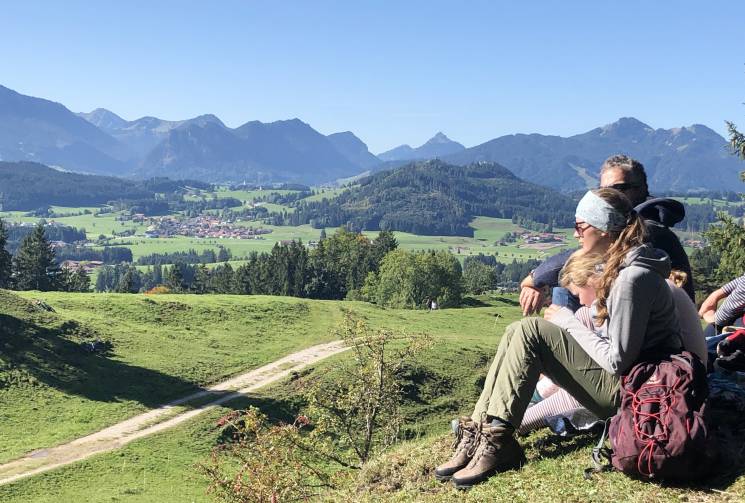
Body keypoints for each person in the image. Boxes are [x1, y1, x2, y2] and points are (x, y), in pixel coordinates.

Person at [434, 188, 682, 489]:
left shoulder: (632, 278)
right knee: (516, 330)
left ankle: (498, 444)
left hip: (634, 394)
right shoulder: (621, 270)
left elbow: (619, 361)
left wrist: (567, 324)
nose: (576, 234)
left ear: (604, 230)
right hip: (630, 386)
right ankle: (480, 433)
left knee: (531, 330)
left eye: (580, 226)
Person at [518, 256, 705, 436]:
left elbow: (615, 361)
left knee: (581, 387)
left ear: (593, 281)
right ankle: (536, 397)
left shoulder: (628, 295)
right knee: (584, 315)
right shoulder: (634, 286)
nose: (581, 300)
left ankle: (521, 422)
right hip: (676, 372)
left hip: (670, 384)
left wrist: (567, 321)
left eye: (579, 294)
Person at [519, 155, 694, 317]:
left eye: (619, 188)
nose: (610, 196)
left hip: (662, 337)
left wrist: (535, 279)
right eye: (603, 190)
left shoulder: (647, 229)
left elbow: (582, 256)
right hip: (639, 323)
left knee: (567, 287)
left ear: (642, 189)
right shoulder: (634, 223)